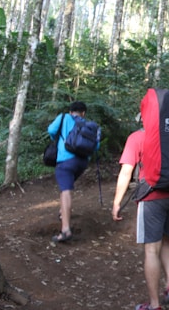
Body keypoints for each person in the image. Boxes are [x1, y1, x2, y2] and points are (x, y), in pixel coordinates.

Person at [112, 122, 169, 310]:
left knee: (151, 250)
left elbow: (126, 172)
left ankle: (155, 305)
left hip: (152, 196)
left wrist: (117, 202)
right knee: (166, 241)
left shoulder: (137, 137)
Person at [48, 101, 97, 243]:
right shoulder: (88, 125)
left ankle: (65, 230)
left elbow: (51, 130)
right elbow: (96, 145)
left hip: (65, 161)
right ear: (83, 113)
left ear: (71, 112)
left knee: (65, 191)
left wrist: (58, 140)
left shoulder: (64, 117)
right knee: (66, 186)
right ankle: (62, 211)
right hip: (82, 163)